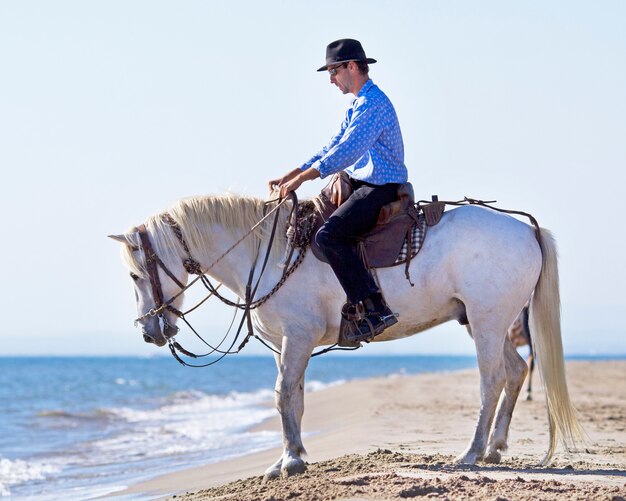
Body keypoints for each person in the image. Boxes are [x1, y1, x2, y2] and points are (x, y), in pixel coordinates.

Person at [268, 38, 408, 343]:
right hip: (363, 183)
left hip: (380, 187)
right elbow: (333, 145)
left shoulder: (372, 104)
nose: (331, 79)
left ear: (353, 67)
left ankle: (374, 308)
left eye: (334, 71)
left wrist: (305, 179)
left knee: (329, 236)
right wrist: (294, 172)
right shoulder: (358, 102)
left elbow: (349, 150)